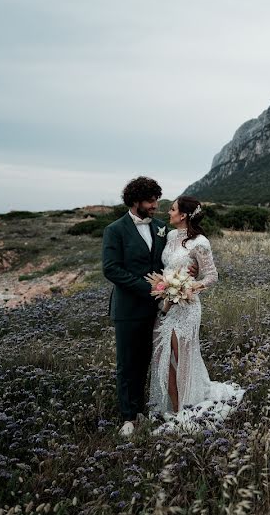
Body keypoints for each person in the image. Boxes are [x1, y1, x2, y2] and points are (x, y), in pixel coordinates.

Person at [148, 195, 244, 433]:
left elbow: (212, 276)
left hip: (187, 306)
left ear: (183, 215)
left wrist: (187, 287)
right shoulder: (170, 236)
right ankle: (172, 407)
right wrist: (165, 285)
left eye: (172, 209)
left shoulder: (200, 242)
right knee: (162, 356)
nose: (168, 213)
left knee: (182, 358)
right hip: (166, 305)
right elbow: (167, 266)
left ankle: (185, 409)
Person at [101, 176, 168, 437]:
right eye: (150, 201)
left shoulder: (161, 227)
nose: (155, 206)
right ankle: (128, 416)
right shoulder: (115, 230)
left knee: (148, 361)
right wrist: (149, 288)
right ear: (135, 201)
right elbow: (111, 269)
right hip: (128, 309)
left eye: (156, 200)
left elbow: (167, 262)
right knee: (128, 364)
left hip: (158, 309)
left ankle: (143, 409)